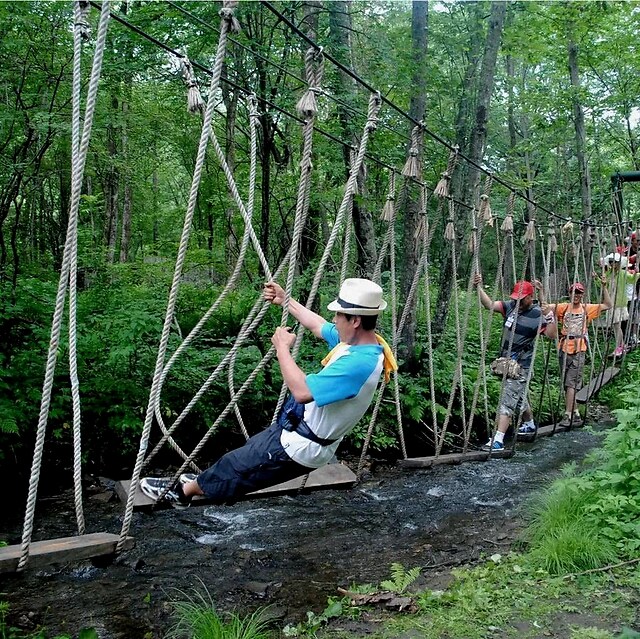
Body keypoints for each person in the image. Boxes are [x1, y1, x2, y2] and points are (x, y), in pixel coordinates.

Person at [140, 278, 397, 507]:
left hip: (302, 445)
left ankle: (181, 493)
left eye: (339, 315)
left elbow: (302, 391)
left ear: (354, 320)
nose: (334, 320)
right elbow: (318, 326)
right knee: (243, 456)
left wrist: (282, 349)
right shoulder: (362, 343)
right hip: (296, 428)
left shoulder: (358, 363)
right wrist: (286, 301)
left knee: (239, 468)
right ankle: (202, 482)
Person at [474, 274, 550, 449]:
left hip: (521, 365)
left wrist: (550, 315)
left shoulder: (538, 314)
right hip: (507, 362)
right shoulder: (510, 307)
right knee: (519, 396)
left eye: (521, 299)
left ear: (531, 297)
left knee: (508, 399)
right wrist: (479, 288)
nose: (518, 301)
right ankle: (529, 424)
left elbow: (552, 334)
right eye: (516, 298)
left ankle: (498, 440)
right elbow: (489, 305)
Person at [547, 277, 612, 426]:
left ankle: (568, 415)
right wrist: (541, 291)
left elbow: (608, 304)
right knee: (566, 384)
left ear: (582, 295)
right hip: (564, 348)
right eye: (574, 293)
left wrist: (604, 287)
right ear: (569, 293)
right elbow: (545, 307)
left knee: (571, 384)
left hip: (579, 349)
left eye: (579, 293)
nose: (576, 296)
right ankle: (575, 412)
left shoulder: (586, 308)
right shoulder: (562, 307)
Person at [605, 253, 640, 357]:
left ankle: (620, 346)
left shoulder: (623, 273)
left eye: (614, 262)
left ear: (619, 263)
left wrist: (636, 273)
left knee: (616, 325)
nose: (612, 264)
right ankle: (621, 345)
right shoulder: (608, 273)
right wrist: (597, 279)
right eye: (611, 262)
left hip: (619, 303)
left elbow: (632, 279)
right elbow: (604, 285)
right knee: (615, 325)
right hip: (610, 302)